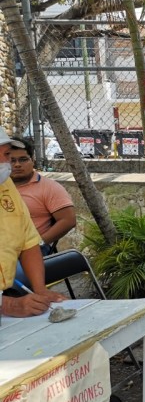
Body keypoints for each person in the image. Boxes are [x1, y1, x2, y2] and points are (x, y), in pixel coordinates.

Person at [0, 127, 67, 318]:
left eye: (7, 155)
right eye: (6, 156)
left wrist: (41, 290)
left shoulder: (7, 186)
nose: (8, 164)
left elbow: (28, 242)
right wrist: (8, 305)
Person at [9, 136, 76, 255]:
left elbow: (68, 220)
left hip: (29, 251)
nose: (17, 165)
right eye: (12, 160)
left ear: (32, 160)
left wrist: (37, 243)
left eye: (23, 159)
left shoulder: (49, 187)